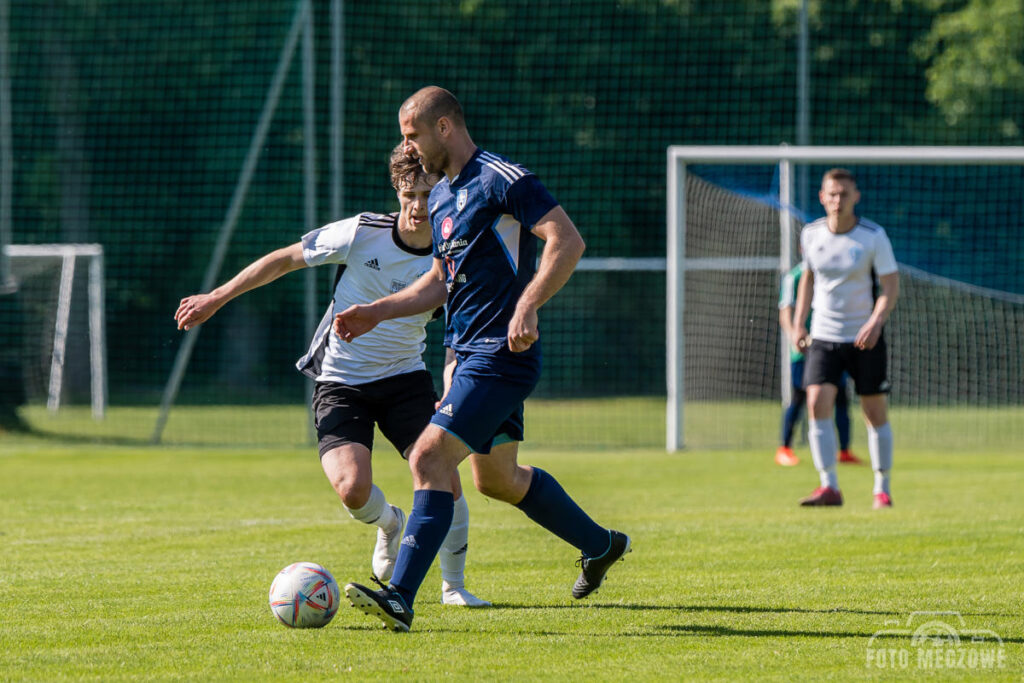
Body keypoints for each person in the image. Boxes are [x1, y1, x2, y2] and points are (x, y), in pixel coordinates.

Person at [335, 86, 630, 632]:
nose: (410, 147)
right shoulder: (444, 195)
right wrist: (377, 310)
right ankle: (602, 544)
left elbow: (566, 240)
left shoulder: (501, 179)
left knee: (428, 457)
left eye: (412, 135)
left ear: (444, 127)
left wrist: (529, 303)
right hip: (468, 354)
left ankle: (400, 595)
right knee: (497, 480)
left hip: (502, 354)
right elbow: (440, 283)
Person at [173, 145, 490, 607]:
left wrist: (450, 386)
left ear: (441, 192)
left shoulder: (453, 251)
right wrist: (217, 297)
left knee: (444, 476)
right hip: (341, 381)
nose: (418, 207)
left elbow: (460, 330)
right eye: (409, 196)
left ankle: (454, 586)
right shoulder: (361, 233)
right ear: (397, 193)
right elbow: (284, 259)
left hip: (406, 379)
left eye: (426, 194)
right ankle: (389, 524)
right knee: (352, 489)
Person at [792, 168, 899, 509]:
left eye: (844, 194)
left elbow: (890, 286)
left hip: (864, 338)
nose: (838, 200)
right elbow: (807, 279)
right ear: (822, 197)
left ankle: (881, 487)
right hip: (824, 335)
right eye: (832, 194)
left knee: (873, 410)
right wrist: (799, 324)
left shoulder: (872, 236)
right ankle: (829, 487)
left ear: (856, 197)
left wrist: (875, 322)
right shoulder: (811, 234)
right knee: (815, 402)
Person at [776, 260, 861, 467]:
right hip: (804, 350)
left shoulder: (832, 273)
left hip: (831, 347)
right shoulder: (794, 277)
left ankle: (844, 451)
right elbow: (785, 311)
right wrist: (795, 335)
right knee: (800, 397)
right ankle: (785, 448)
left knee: (841, 397)